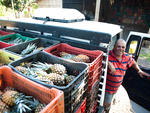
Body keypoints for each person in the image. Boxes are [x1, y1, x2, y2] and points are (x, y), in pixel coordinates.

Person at [103, 39, 150, 113]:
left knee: (113, 97)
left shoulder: (126, 56)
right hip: (108, 89)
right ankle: (107, 110)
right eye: (118, 46)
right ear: (114, 46)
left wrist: (139, 70)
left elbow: (133, 62)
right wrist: (108, 62)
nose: (121, 49)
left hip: (117, 87)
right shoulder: (108, 55)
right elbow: (100, 55)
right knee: (106, 105)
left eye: (123, 47)